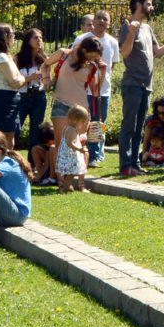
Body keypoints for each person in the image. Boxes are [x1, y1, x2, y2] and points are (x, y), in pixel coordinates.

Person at [119, 0, 164, 176]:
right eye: (149, 4)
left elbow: (158, 53)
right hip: (132, 84)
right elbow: (125, 53)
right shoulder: (127, 26)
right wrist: (130, 34)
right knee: (129, 126)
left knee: (140, 128)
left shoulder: (148, 28)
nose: (152, 8)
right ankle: (125, 166)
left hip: (146, 86)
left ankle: (135, 164)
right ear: (139, 5)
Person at [44, 37, 106, 180]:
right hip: (61, 103)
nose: (92, 59)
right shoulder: (63, 54)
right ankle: (56, 178)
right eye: (91, 56)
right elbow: (45, 65)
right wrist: (46, 80)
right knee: (60, 144)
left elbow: (95, 91)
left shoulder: (91, 66)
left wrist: (102, 72)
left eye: (95, 57)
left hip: (81, 109)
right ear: (83, 50)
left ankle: (77, 180)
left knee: (79, 143)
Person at [72, 10, 121, 167]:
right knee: (82, 122)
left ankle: (96, 155)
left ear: (109, 23)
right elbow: (73, 60)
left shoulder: (112, 42)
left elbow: (111, 64)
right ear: (93, 21)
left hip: (102, 90)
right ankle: (82, 153)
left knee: (98, 122)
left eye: (105, 19)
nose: (101, 21)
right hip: (81, 88)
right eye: (98, 18)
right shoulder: (81, 39)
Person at [0, 24, 39, 149]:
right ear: (6, 36)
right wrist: (23, 78)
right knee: (0, 142)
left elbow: (18, 78)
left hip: (12, 98)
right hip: (2, 99)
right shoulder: (0, 57)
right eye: (13, 34)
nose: (15, 37)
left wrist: (20, 78)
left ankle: (5, 166)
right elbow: (14, 81)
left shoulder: (7, 56)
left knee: (10, 141)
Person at [15, 28, 48, 149]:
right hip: (22, 97)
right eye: (35, 37)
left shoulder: (43, 58)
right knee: (15, 130)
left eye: (40, 37)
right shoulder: (18, 58)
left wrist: (45, 75)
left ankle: (33, 164)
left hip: (39, 97)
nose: (39, 40)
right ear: (28, 40)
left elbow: (48, 78)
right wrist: (30, 78)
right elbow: (14, 82)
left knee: (36, 132)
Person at [56, 104, 89, 193]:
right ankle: (64, 188)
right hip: (69, 155)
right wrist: (80, 149)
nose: (84, 123)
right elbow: (69, 143)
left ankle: (66, 186)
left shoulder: (69, 128)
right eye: (82, 121)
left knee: (72, 172)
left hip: (68, 154)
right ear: (75, 120)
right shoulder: (72, 130)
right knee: (72, 173)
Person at [28, 121, 55, 185]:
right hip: (50, 162)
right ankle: (42, 176)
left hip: (59, 162)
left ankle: (51, 177)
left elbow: (47, 163)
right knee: (35, 149)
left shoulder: (52, 143)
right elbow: (46, 162)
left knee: (52, 148)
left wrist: (38, 177)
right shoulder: (48, 141)